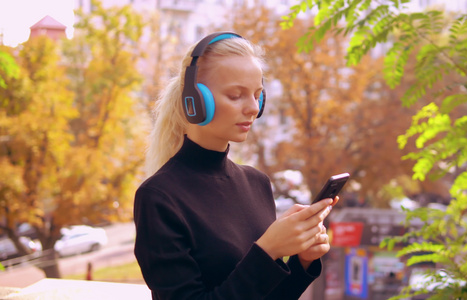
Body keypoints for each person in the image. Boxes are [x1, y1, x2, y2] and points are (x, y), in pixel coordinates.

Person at [134, 31, 338, 300]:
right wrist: (267, 251)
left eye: (257, 95)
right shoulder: (158, 197)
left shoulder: (257, 183)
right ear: (195, 101)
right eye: (236, 95)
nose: (253, 108)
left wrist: (302, 262)